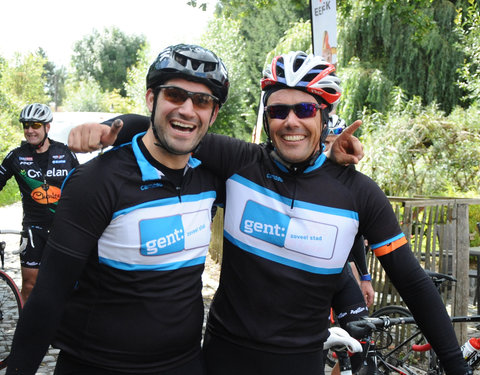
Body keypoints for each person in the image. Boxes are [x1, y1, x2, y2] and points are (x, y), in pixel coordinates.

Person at [66, 51, 470, 375]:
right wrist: (111, 127)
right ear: (267, 119)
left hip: (299, 363)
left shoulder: (358, 193)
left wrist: (456, 366)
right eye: (278, 111)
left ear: (324, 118)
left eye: (304, 110)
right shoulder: (240, 163)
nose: (290, 121)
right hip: (221, 359)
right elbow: (172, 127)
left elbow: (414, 284)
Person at [6, 44, 229, 375]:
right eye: (174, 95)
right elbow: (48, 297)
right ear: (152, 99)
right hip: (97, 364)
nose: (186, 109)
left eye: (202, 100)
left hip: (183, 363)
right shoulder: (96, 180)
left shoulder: (213, 176)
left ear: (213, 114)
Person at [0, 104, 79, 302]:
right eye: (26, 125)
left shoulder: (65, 154)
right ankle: (27, 331)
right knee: (29, 284)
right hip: (33, 229)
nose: (30, 130)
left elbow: (82, 187)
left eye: (35, 125)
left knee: (65, 284)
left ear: (47, 127)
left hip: (63, 229)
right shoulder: (16, 156)